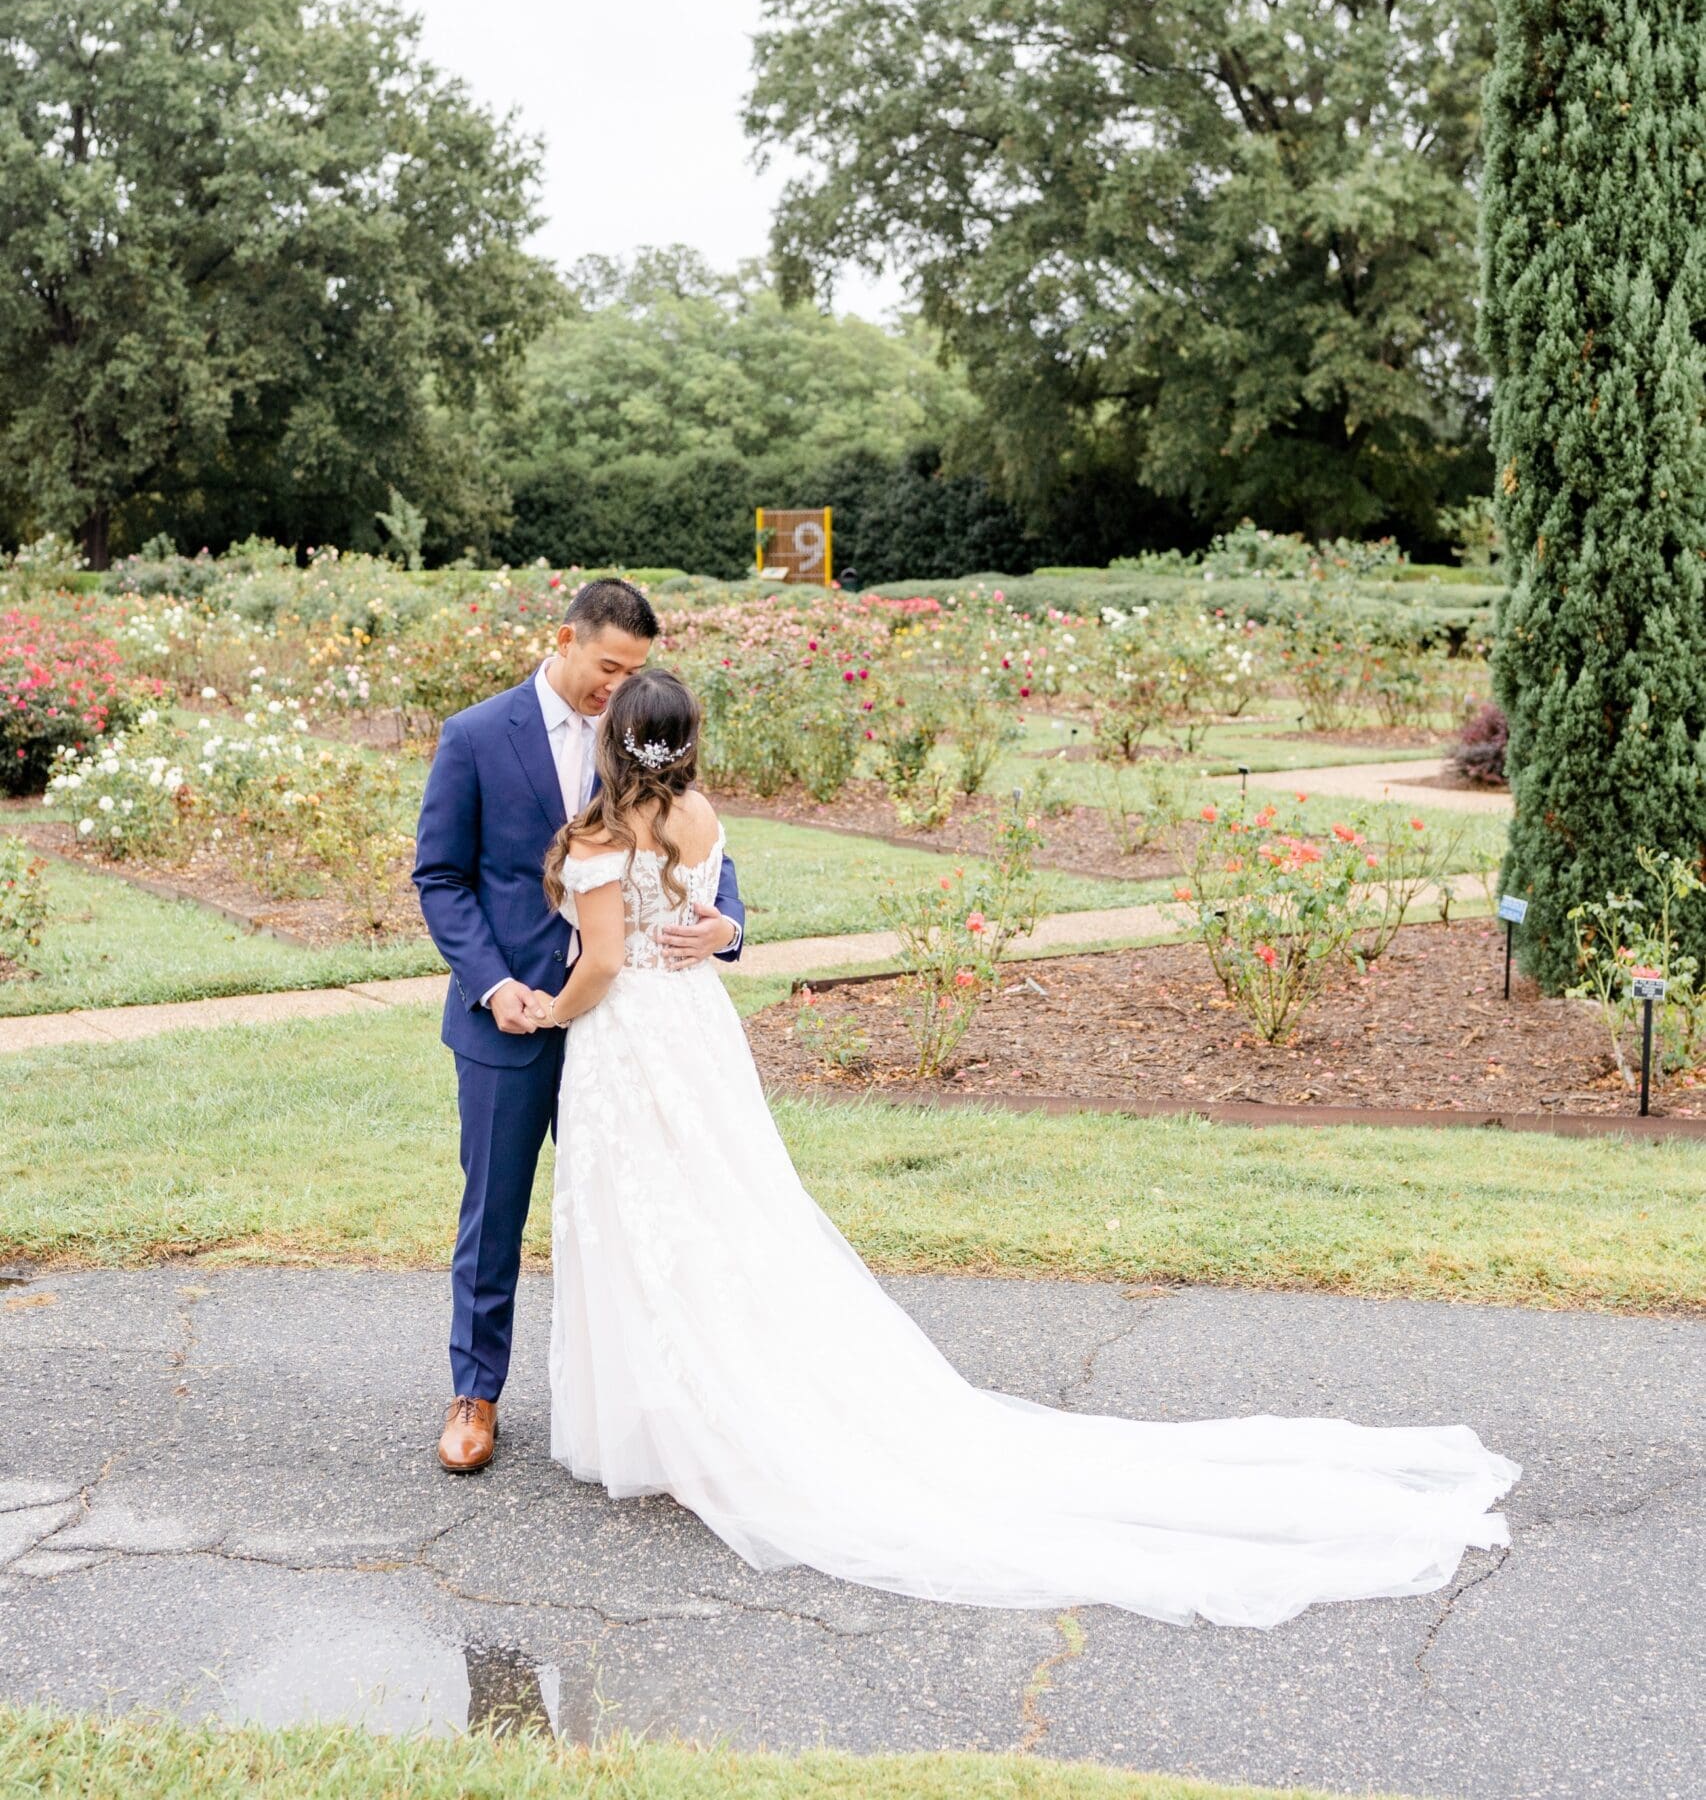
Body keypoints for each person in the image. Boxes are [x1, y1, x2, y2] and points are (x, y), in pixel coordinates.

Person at [530, 668, 1519, 1631]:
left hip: (632, 1041)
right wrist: (721, 926)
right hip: (697, 1037)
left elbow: (605, 958)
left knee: (646, 1219)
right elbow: (704, 914)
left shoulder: (607, 833)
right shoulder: (699, 816)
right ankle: (695, 1408)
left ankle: (679, 1422)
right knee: (719, 1217)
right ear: (687, 737)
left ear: (616, 740)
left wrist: (547, 1011)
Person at [412, 576, 747, 1473]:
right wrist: (492, 986)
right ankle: (475, 1396)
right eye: (608, 667)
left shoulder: (638, 727)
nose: (618, 686)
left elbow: (702, 849)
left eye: (633, 671)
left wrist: (729, 926)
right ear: (564, 639)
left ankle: (645, 1404)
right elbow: (439, 877)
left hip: (630, 1031)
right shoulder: (477, 736)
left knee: (639, 1214)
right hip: (513, 1020)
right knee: (494, 1214)